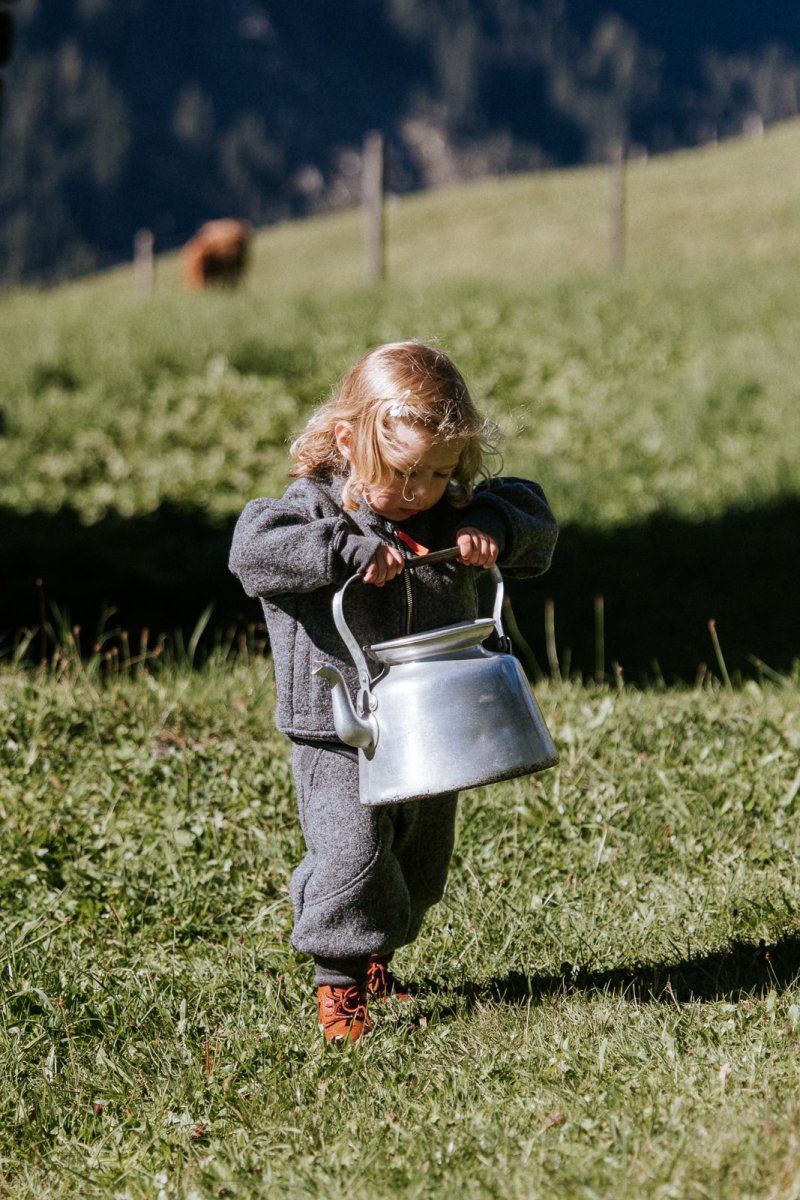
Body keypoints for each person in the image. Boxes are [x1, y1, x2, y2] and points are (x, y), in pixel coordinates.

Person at [229, 340, 558, 1043]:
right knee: (352, 852)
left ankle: (378, 956)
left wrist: (490, 526)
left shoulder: (449, 511)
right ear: (350, 442)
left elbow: (533, 514)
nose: (420, 492)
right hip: (341, 720)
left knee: (419, 855)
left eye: (440, 472)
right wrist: (342, 550)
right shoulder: (313, 507)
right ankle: (340, 982)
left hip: (434, 715)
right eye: (404, 473)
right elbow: (252, 551)